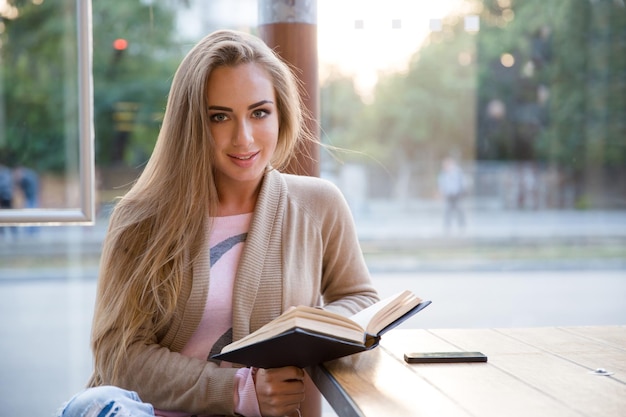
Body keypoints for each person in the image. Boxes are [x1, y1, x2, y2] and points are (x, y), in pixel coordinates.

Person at [56, 29, 379, 417]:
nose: (243, 138)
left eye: (259, 112)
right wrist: (238, 391)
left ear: (282, 113)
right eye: (219, 117)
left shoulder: (319, 204)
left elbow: (361, 302)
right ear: (190, 124)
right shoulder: (140, 219)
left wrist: (308, 329)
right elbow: (119, 357)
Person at [437, 156, 466, 233]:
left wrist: (462, 192)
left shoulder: (457, 172)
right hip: (448, 195)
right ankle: (447, 227)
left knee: (460, 210)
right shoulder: (443, 174)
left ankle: (462, 227)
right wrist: (442, 193)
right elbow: (441, 184)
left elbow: (462, 182)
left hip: (457, 195)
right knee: (447, 211)